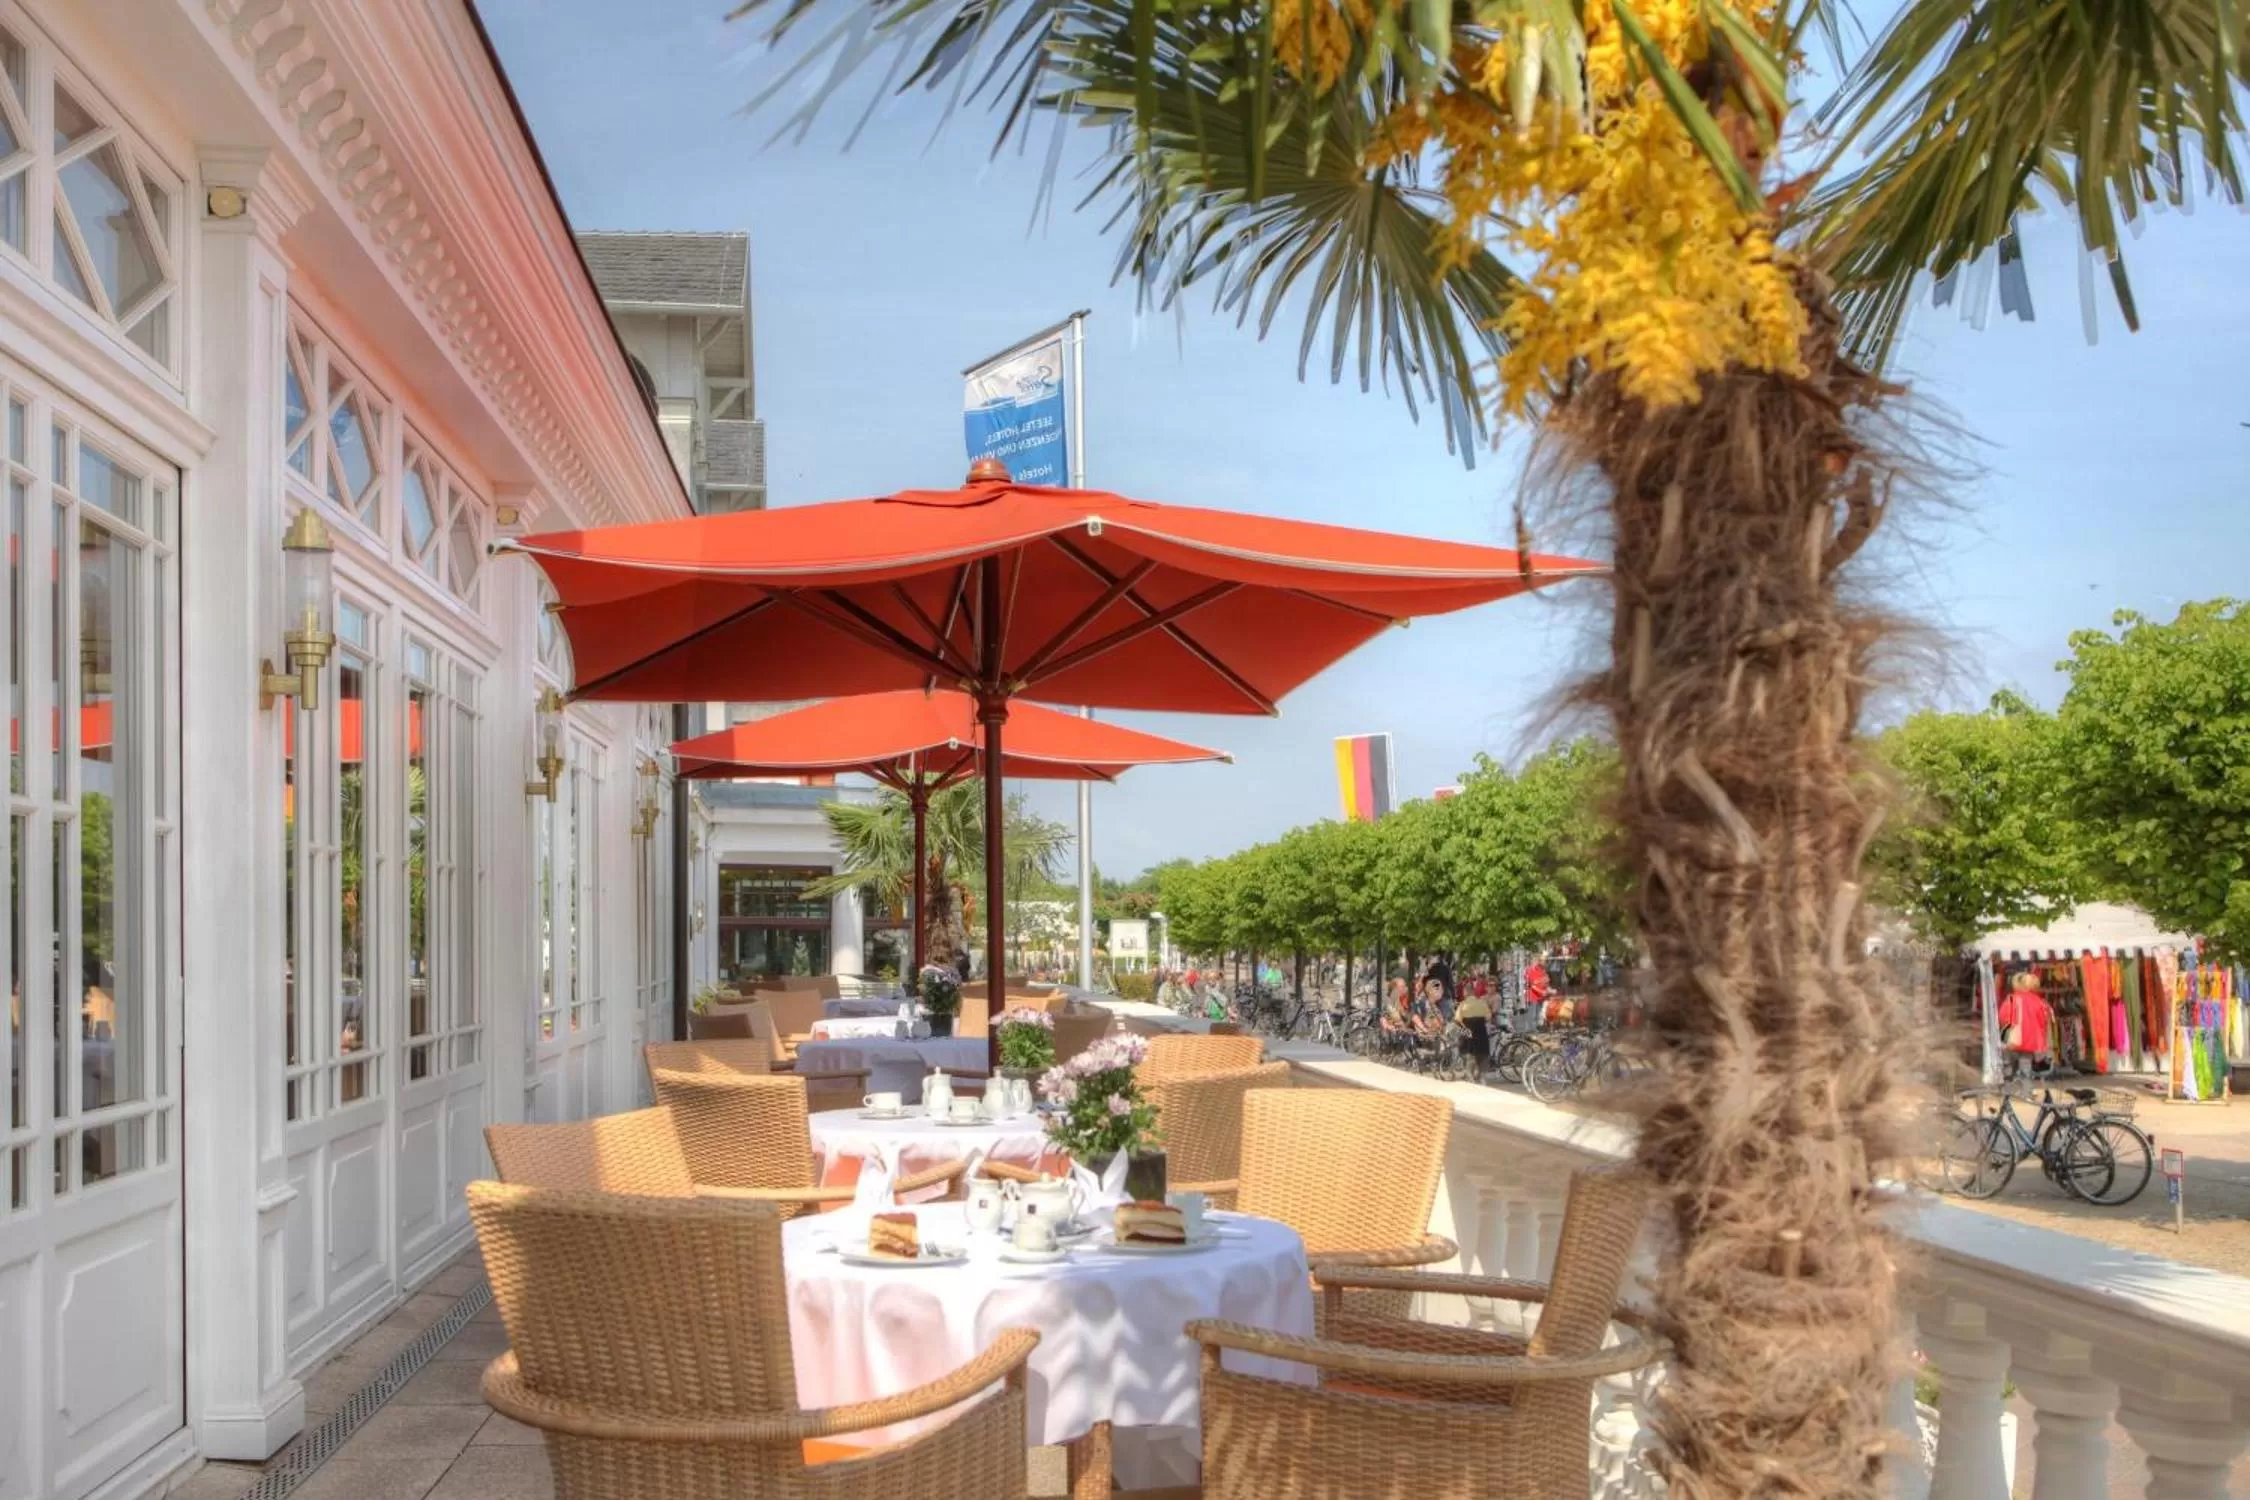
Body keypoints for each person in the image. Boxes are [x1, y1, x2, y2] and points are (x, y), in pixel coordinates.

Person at [1997, 970, 2053, 1080]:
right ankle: (2026, 1094)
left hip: (2011, 1040)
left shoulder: (2012, 999)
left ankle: (2006, 1095)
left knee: (2007, 1070)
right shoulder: (2038, 1001)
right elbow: (2043, 1022)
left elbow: (2003, 1017)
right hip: (2029, 1042)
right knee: (2026, 1070)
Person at [1455, 974, 1493, 1076]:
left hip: (1468, 1037)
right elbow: (1489, 1017)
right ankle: (1480, 1074)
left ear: (1466, 992)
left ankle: (1469, 1073)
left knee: (1463, 1045)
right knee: (1481, 1054)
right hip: (1481, 1036)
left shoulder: (1462, 1005)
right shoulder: (1482, 1003)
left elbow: (1457, 1019)